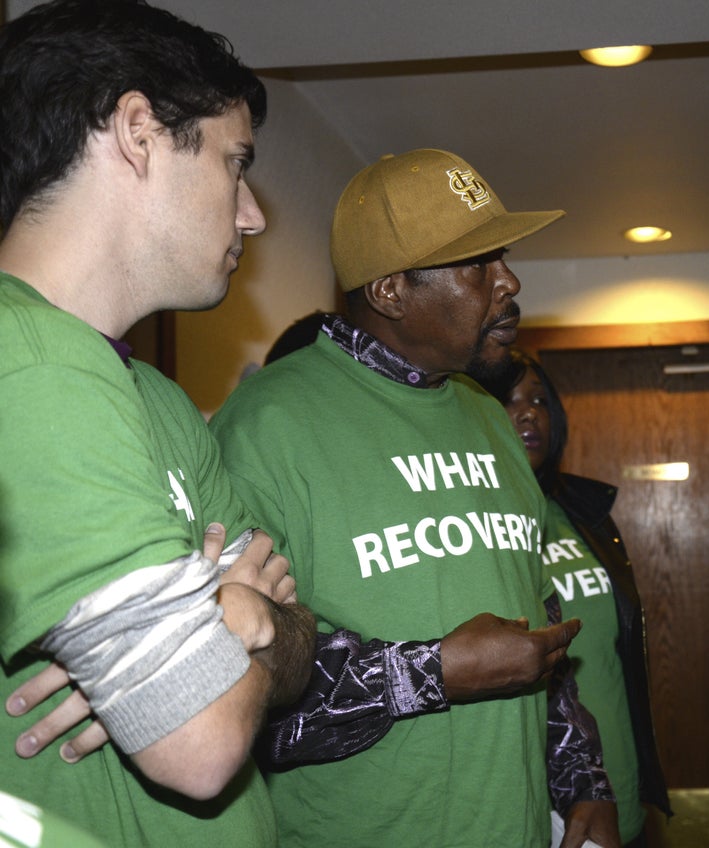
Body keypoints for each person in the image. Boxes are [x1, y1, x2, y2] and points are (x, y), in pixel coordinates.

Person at [208, 148, 621, 848]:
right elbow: (236, 692)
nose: (510, 281)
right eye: (479, 264)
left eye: (504, 258)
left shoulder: (488, 416)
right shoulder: (264, 424)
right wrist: (434, 673)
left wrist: (582, 779)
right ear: (392, 290)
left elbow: (540, 629)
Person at [0, 2, 316, 845]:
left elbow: (297, 630)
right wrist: (231, 614)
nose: (250, 214)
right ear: (139, 131)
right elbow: (202, 742)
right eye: (233, 163)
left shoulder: (157, 397)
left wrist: (246, 623)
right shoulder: (25, 365)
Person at [477, 348, 673, 848]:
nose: (529, 412)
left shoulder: (583, 514)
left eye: (540, 400)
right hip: (544, 798)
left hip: (619, 778)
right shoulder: (473, 527)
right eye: (509, 399)